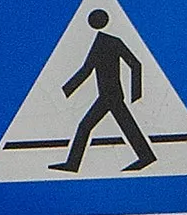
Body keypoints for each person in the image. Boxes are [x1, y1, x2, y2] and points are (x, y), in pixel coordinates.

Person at [55, 9, 156, 173]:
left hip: (111, 95)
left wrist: (136, 95)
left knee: (85, 126)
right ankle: (146, 156)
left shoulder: (105, 42)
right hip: (109, 95)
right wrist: (66, 90)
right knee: (125, 126)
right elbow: (87, 69)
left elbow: (135, 64)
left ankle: (73, 164)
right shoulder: (105, 42)